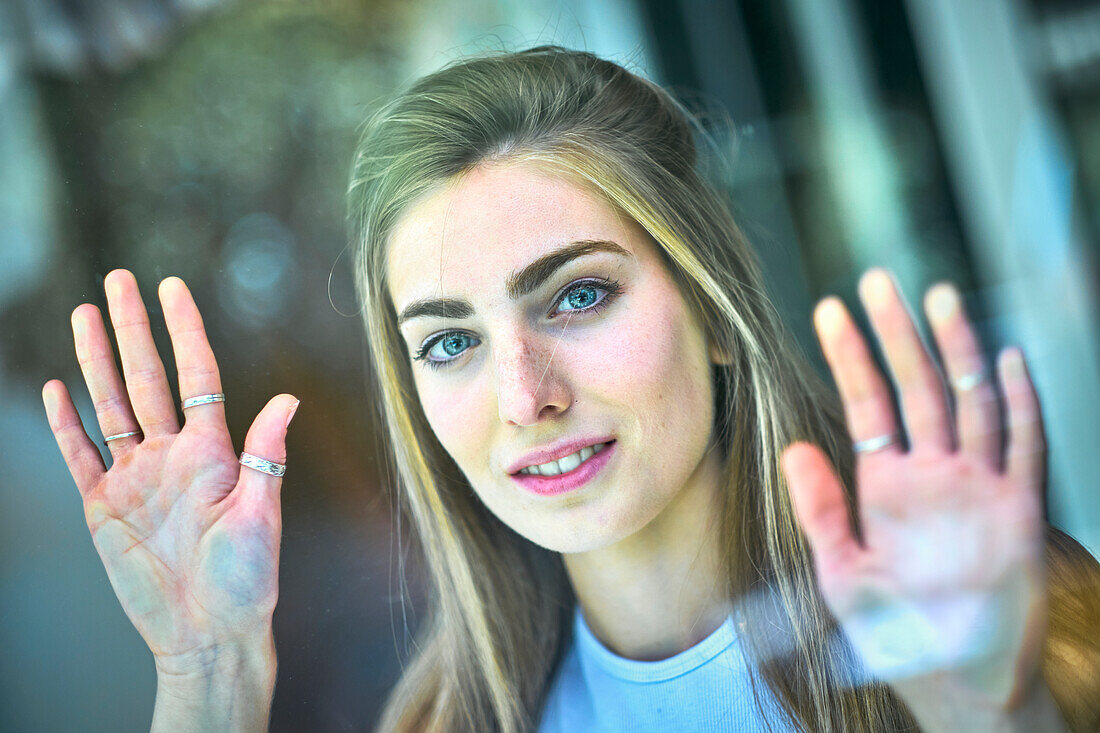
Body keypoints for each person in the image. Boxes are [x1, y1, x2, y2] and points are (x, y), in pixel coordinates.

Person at [42, 45, 1100, 732]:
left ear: (715, 313)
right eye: (449, 342)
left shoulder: (996, 625)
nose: (523, 394)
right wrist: (208, 679)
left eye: (578, 296)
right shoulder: (436, 723)